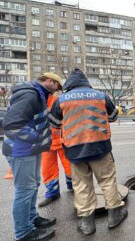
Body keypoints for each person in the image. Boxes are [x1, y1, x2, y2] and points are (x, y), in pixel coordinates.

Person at [49, 68, 127, 235]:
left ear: (70, 84)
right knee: (107, 182)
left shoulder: (60, 100)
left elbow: (55, 124)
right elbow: (113, 116)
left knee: (82, 186)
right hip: (100, 148)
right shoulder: (100, 96)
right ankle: (114, 216)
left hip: (75, 150)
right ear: (86, 82)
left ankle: (87, 224)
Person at [3, 72, 63, 241]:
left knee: (33, 185)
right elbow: (12, 124)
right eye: (57, 85)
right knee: (24, 190)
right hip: (21, 151)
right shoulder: (30, 95)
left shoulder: (38, 94)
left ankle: (32, 218)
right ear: (50, 81)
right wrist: (36, 138)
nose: (58, 90)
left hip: (31, 150)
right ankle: (24, 233)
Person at [38, 92, 72, 207]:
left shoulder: (57, 99)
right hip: (45, 141)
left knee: (69, 165)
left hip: (61, 139)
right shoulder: (36, 100)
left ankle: (73, 186)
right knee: (48, 168)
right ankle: (53, 192)